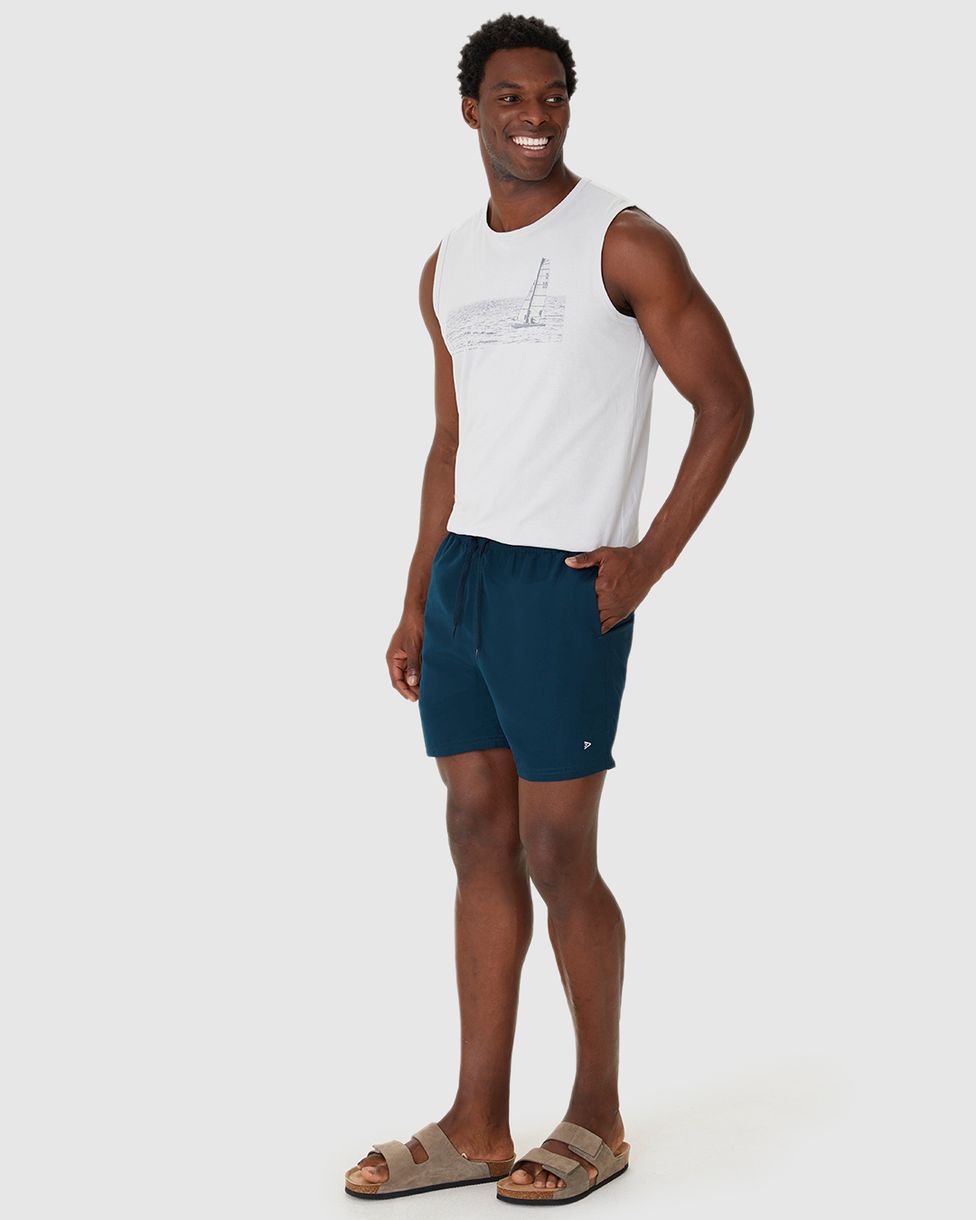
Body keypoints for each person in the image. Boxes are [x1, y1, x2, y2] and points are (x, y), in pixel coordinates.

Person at [346, 13, 753, 1206]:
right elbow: (451, 440)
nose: (535, 117)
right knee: (476, 831)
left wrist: (645, 561)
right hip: (466, 576)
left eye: (553, 95)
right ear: (470, 110)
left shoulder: (624, 241)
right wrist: (415, 598)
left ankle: (597, 1113)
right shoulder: (445, 263)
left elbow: (727, 402)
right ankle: (476, 1120)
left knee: (556, 847)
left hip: (562, 583)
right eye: (512, 97)